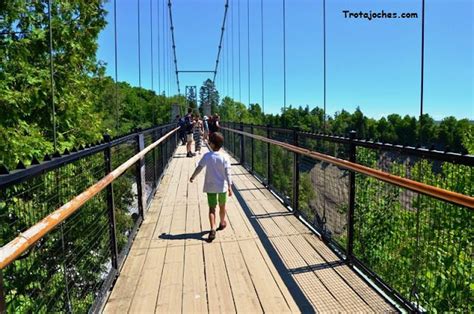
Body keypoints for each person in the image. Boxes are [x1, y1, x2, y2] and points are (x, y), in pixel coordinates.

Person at [189, 132, 232, 242]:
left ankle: (212, 228)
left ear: (212, 145)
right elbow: (228, 173)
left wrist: (193, 176)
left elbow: (199, 167)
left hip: (210, 186)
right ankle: (222, 223)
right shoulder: (225, 157)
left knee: (212, 208)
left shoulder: (207, 156)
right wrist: (230, 187)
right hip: (222, 187)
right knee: (222, 206)